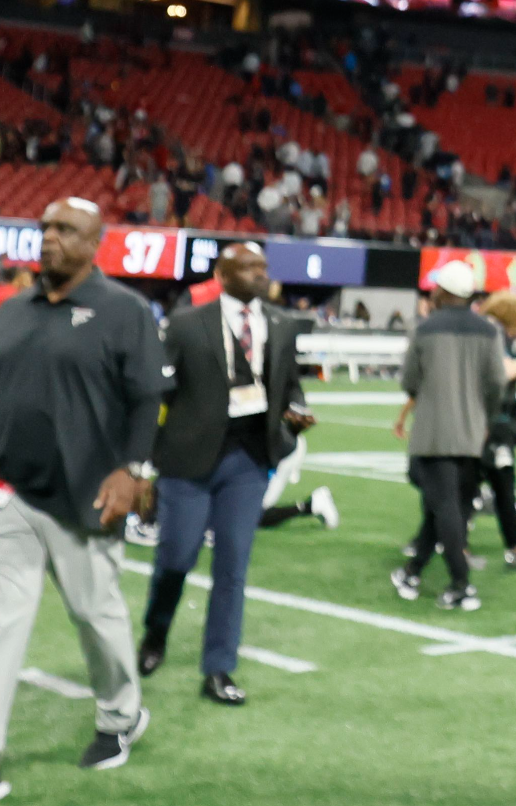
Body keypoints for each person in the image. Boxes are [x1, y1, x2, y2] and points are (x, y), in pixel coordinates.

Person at [0, 198, 166, 780]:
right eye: (45, 227)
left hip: (88, 493)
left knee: (95, 617)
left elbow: (148, 396)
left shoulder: (124, 310)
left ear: (94, 242)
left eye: (65, 230)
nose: (49, 238)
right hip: (14, 495)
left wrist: (134, 470)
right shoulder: (13, 310)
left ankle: (121, 716)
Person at [139, 242, 318, 705]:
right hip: (188, 460)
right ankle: (156, 631)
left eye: (262, 266)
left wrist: (296, 411)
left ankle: (219, 667)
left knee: (232, 566)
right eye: (248, 266)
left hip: (249, 459)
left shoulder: (280, 323)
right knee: (176, 558)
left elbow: (289, 384)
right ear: (222, 273)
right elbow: (157, 391)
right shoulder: (185, 323)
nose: (259, 274)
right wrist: (144, 459)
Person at [390, 261, 506, 611]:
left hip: (432, 431)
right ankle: (412, 571)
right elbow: (497, 382)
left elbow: (408, 380)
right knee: (445, 507)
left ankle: (461, 583)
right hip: (472, 432)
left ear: (442, 291)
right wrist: (484, 414)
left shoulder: (424, 329)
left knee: (445, 507)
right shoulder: (489, 331)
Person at [478, 291, 516, 567]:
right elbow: (491, 373)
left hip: (486, 422)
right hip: (492, 423)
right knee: (497, 486)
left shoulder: (488, 330)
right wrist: (513, 369)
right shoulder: (493, 333)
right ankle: (514, 546)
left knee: (493, 486)